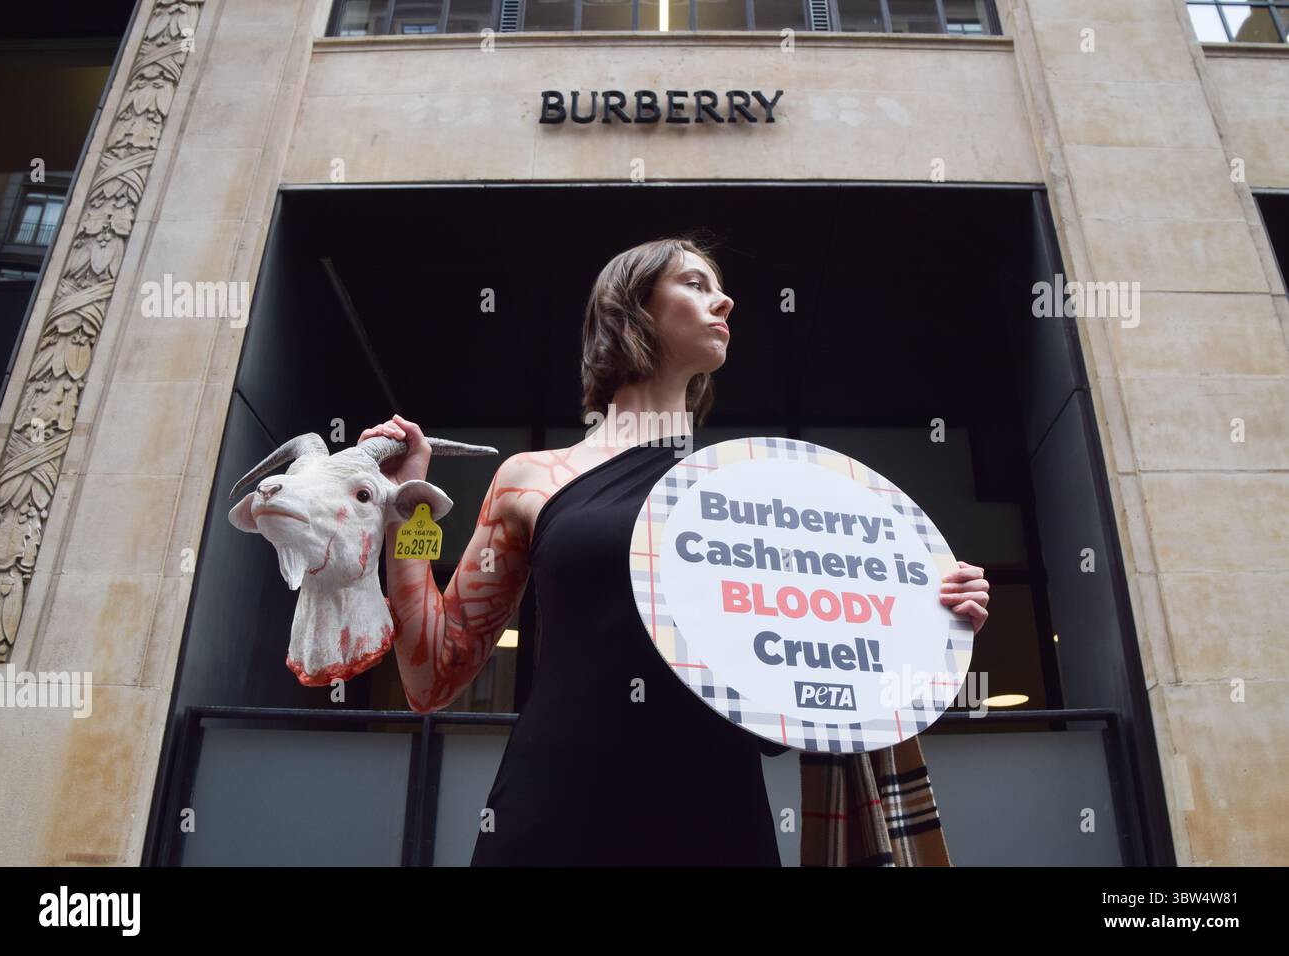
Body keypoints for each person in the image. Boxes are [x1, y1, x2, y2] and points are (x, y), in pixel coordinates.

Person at [357, 236, 990, 866]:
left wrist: (927, 612)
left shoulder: (751, 490)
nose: (726, 301)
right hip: (554, 810)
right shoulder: (530, 477)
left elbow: (820, 652)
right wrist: (407, 509)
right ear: (629, 309)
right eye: (695, 283)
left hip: (717, 814)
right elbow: (431, 676)